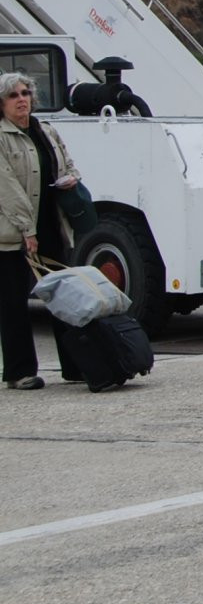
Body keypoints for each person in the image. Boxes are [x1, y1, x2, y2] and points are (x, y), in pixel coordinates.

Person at [1, 72, 82, 390]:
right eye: (13, 95)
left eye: (25, 93)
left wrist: (71, 177)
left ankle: (76, 365)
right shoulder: (2, 136)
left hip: (51, 224)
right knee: (13, 303)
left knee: (63, 295)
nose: (22, 99)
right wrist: (26, 230)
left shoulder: (46, 130)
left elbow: (69, 163)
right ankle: (19, 372)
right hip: (12, 233)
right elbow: (6, 188)